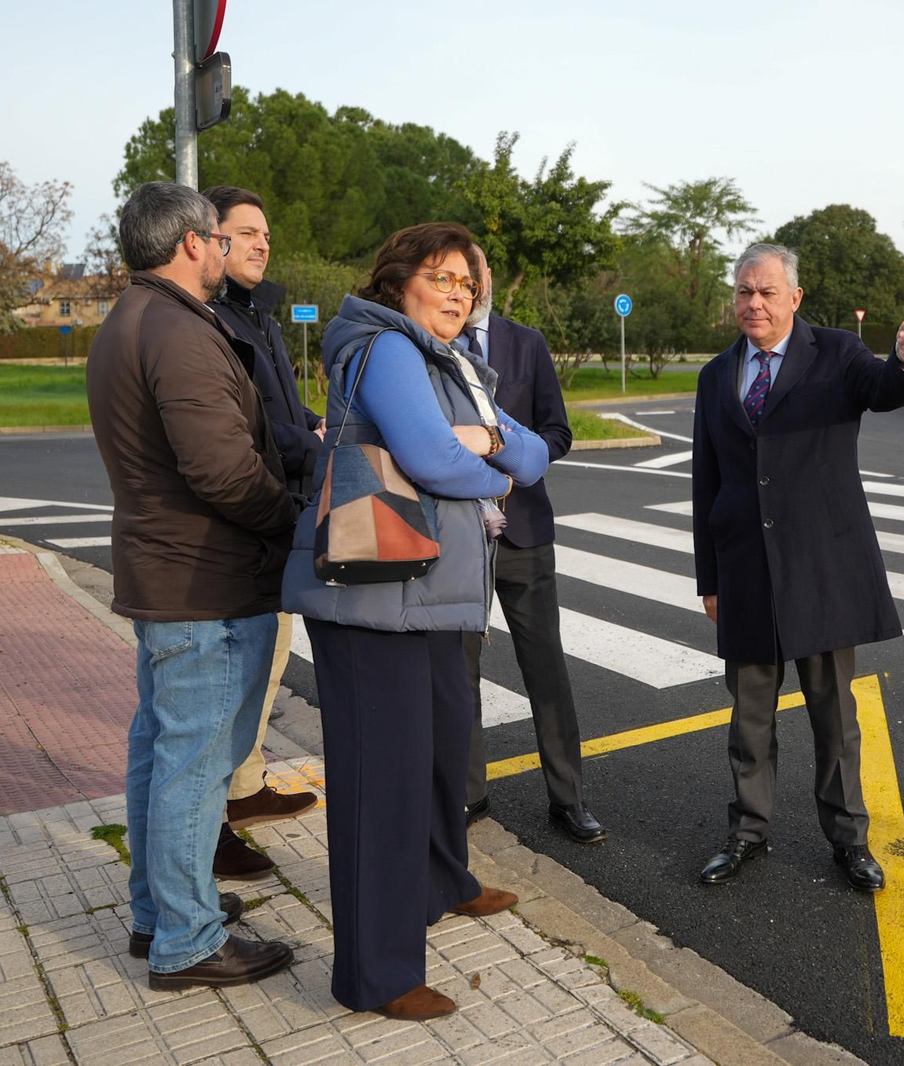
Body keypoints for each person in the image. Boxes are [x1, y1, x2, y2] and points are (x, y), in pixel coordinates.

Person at [282, 222, 549, 1020]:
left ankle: (438, 883)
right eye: (441, 278)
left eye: (468, 284)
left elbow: (534, 455)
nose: (458, 294)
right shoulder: (386, 344)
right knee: (379, 789)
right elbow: (433, 461)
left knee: (431, 753)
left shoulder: (454, 359)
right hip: (374, 597)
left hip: (421, 592)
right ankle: (377, 975)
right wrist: (486, 472)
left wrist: (488, 436)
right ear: (399, 279)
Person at [86, 181, 298, 990]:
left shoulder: (128, 319)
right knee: (195, 763)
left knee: (161, 754)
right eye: (215, 238)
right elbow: (221, 469)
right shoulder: (177, 329)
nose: (222, 251)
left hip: (168, 572)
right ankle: (188, 941)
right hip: (205, 579)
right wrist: (287, 518)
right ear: (188, 244)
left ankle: (161, 913)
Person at [690, 243, 904, 891]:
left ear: (795, 297)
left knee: (834, 717)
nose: (754, 303)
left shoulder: (835, 353)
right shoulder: (715, 374)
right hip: (745, 569)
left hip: (822, 567)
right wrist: (709, 578)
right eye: (744, 292)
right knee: (749, 716)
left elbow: (883, 388)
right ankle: (747, 832)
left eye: (767, 292)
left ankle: (849, 840)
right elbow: (706, 481)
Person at [459, 244, 604, 844]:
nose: (468, 284)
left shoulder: (527, 342)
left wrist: (512, 457)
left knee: (546, 668)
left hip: (524, 533)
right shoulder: (423, 346)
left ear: (489, 277)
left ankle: (567, 798)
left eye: (476, 272)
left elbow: (559, 430)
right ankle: (468, 797)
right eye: (455, 276)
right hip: (456, 536)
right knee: (458, 673)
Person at [202, 185, 320, 878]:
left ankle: (244, 794)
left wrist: (318, 425)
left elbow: (284, 406)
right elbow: (249, 427)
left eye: (265, 234)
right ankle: (210, 825)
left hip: (280, 516)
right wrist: (313, 446)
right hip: (242, 526)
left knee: (266, 666)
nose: (261, 243)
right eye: (246, 233)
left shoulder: (258, 316)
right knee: (229, 685)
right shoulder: (211, 322)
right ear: (208, 240)